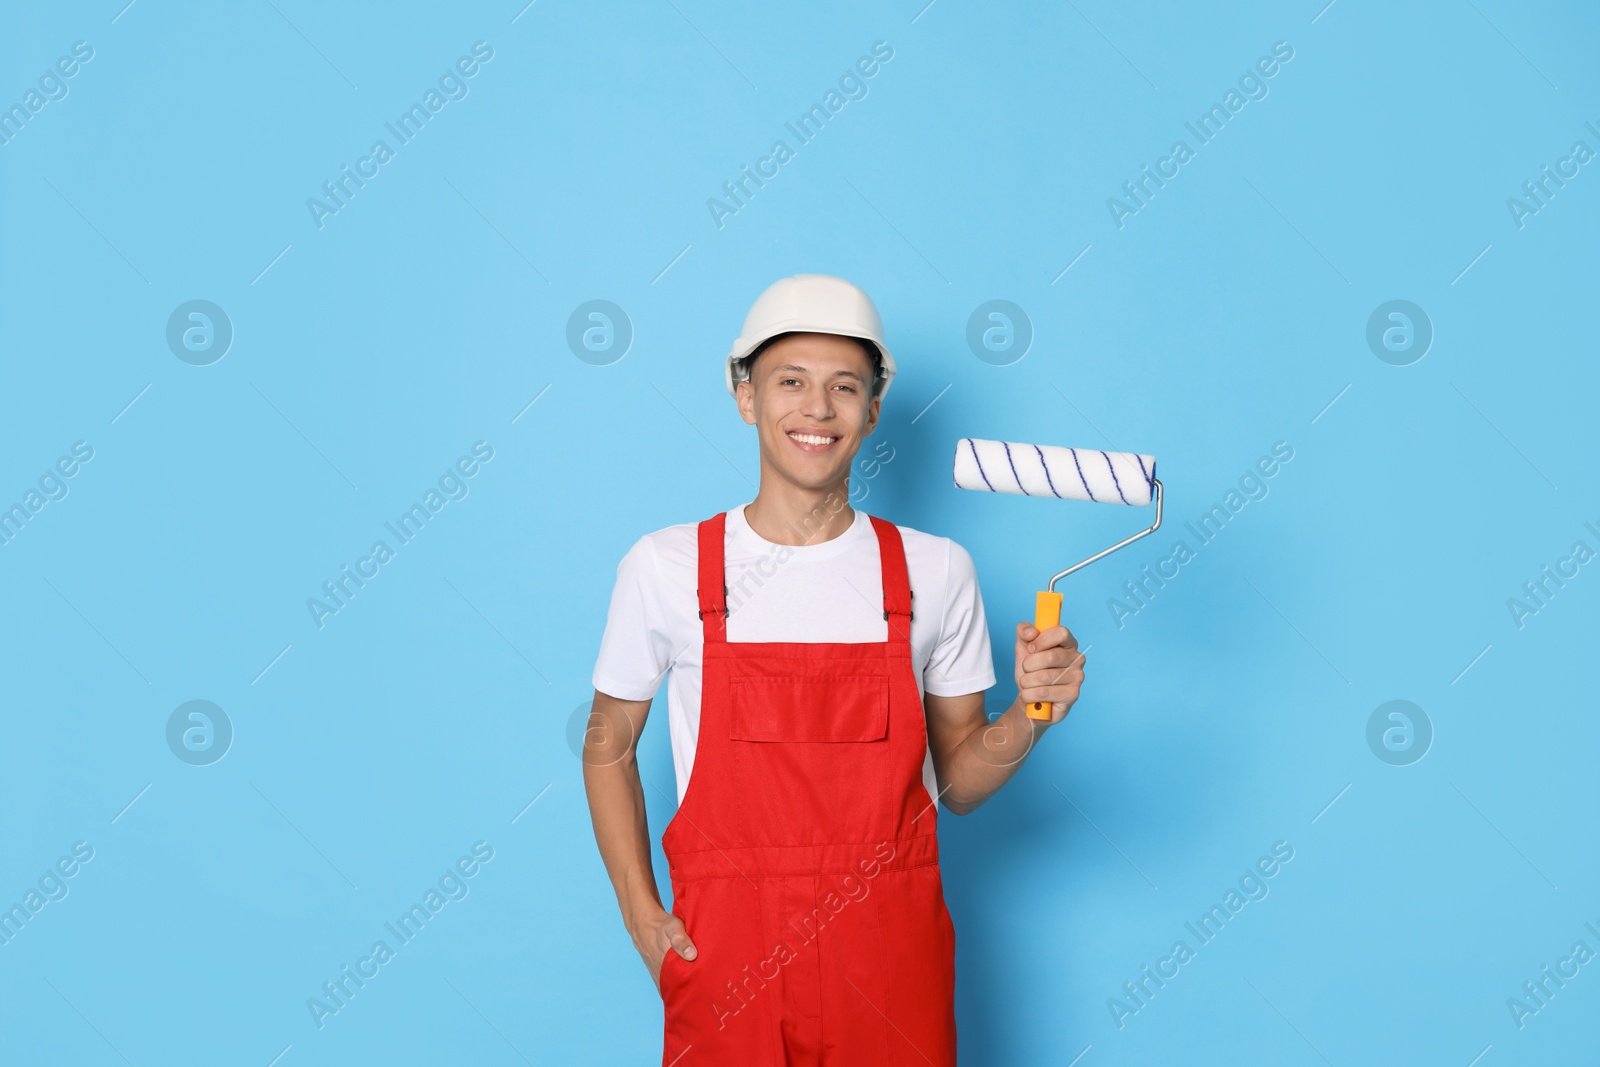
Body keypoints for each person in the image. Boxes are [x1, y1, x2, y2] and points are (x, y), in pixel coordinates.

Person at [582, 274, 1085, 1065]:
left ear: (874, 409)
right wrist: (642, 916)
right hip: (729, 962)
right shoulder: (668, 566)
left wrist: (1032, 713)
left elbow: (955, 783)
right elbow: (606, 742)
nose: (817, 410)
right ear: (745, 396)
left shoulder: (936, 570)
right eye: (791, 382)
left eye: (844, 387)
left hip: (890, 959)